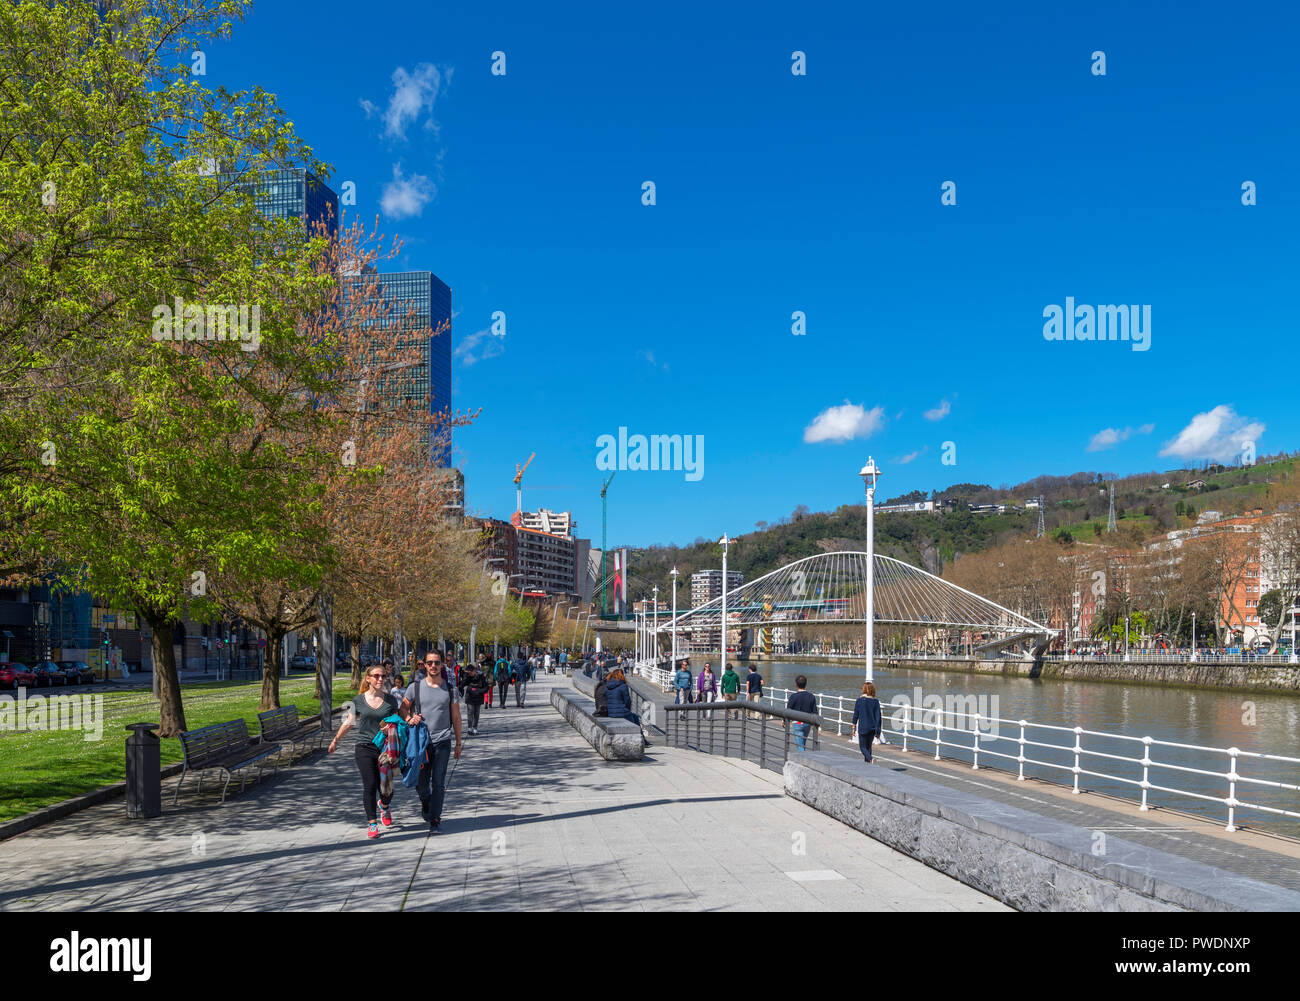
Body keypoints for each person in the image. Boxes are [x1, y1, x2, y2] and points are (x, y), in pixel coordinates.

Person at [328, 663, 412, 838]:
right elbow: (349, 722)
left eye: (382, 676)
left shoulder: (390, 700)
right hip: (364, 747)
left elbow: (399, 720)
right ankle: (372, 823)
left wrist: (400, 724)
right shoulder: (358, 700)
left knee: (386, 788)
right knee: (370, 784)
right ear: (368, 678)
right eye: (376, 676)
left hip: (386, 748)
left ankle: (385, 805)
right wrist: (336, 739)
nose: (380, 679)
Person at [401, 650, 463, 833]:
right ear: (425, 665)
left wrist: (458, 743)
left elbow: (457, 717)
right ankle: (426, 803)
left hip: (442, 741)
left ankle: (435, 819)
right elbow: (403, 709)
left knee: (438, 782)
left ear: (442, 664)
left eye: (437, 662)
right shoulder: (415, 687)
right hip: (421, 743)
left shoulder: (450, 689)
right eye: (429, 663)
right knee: (421, 783)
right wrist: (409, 719)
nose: (433, 666)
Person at [605, 668, 650, 745]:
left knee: (633, 717)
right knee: (635, 718)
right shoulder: (623, 686)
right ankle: (642, 740)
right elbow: (627, 701)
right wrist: (627, 710)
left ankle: (643, 740)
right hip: (621, 712)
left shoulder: (608, 686)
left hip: (611, 713)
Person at [851, 682, 883, 762]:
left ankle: (871, 759)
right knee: (868, 747)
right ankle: (868, 765)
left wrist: (853, 727)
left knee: (862, 747)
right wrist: (878, 731)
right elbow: (878, 717)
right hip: (872, 728)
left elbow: (856, 715)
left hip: (863, 727)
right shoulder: (875, 702)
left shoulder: (859, 701)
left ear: (863, 690)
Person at [785, 675, 819, 752]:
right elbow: (814, 711)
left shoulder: (793, 696)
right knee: (803, 743)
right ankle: (804, 759)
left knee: (800, 746)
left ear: (796, 684)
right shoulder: (811, 696)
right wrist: (816, 726)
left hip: (797, 723)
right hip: (807, 723)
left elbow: (788, 710)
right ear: (805, 684)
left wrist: (784, 721)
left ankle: (803, 762)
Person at [461, 661, 490, 735]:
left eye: (470, 673)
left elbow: (486, 688)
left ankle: (475, 727)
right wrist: (465, 676)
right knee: (470, 713)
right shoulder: (467, 677)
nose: (469, 674)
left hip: (478, 697)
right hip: (470, 697)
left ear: (474, 671)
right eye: (468, 673)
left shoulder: (481, 676)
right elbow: (462, 685)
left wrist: (478, 691)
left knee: (476, 713)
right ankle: (469, 728)